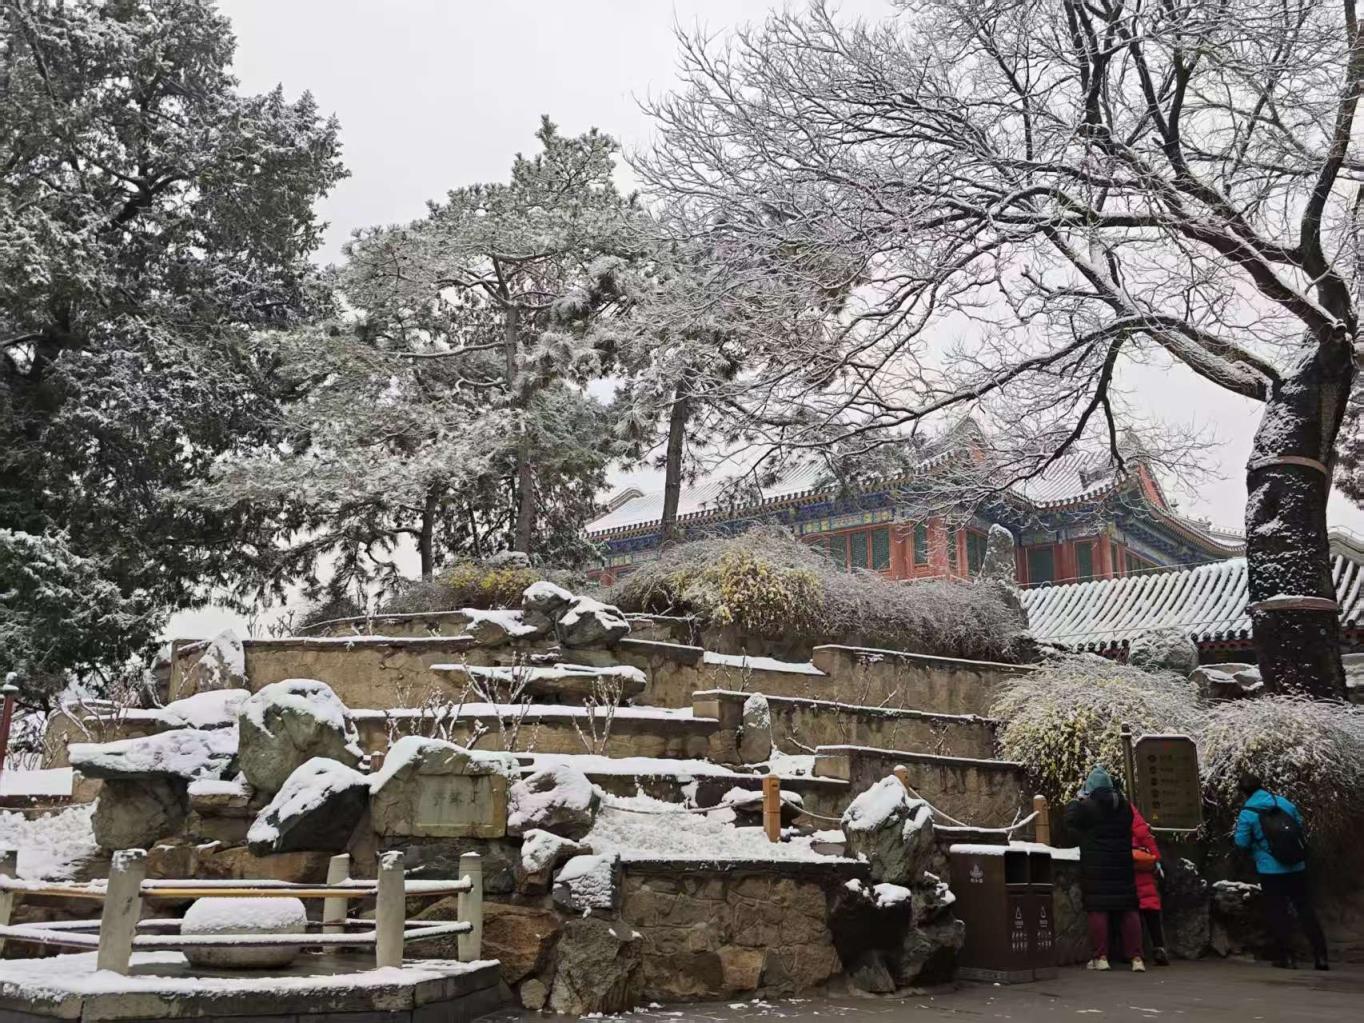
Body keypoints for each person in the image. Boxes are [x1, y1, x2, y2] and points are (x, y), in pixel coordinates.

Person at [1233, 774, 1329, 970]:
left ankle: (1287, 957)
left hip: (1270, 870)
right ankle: (1321, 957)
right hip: (1296, 866)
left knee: (1278, 912)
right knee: (1305, 909)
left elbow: (1241, 842)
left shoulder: (1248, 812)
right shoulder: (1283, 803)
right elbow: (1299, 826)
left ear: (1243, 792)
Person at [1065, 766, 1145, 972]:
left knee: (1098, 908)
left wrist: (1076, 801)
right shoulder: (1124, 807)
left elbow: (1070, 821)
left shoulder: (1087, 807)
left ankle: (1101, 957)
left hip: (1096, 865)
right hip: (1122, 864)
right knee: (1128, 908)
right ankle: (1136, 957)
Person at [1130, 805, 1170, 966]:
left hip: (1127, 866)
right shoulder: (1132, 812)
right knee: (1151, 908)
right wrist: (1156, 859)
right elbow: (1145, 836)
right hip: (1144, 864)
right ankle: (1158, 946)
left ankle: (1136, 951)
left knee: (1133, 912)